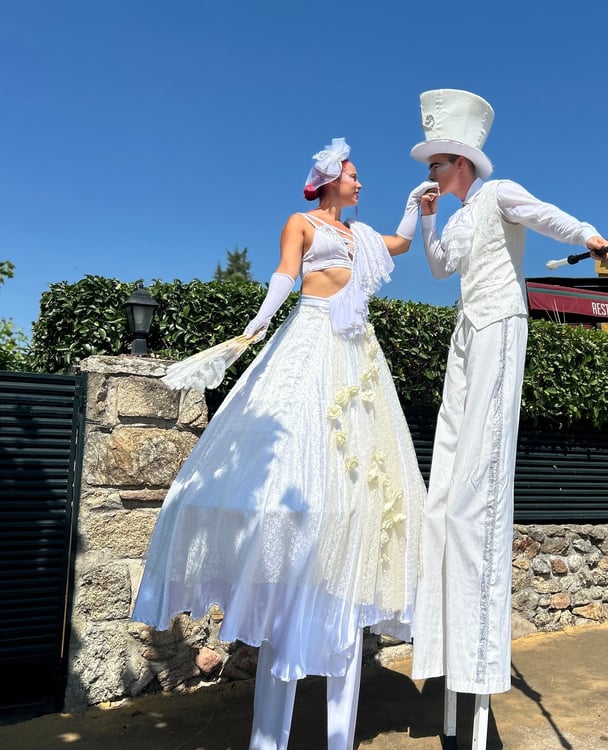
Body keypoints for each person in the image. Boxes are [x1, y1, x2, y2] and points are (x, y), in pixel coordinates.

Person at [131, 137, 434, 750]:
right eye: (354, 175)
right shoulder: (302, 221)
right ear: (329, 179)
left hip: (356, 349)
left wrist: (417, 207)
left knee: (358, 464)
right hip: (312, 334)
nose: (359, 183)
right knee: (293, 441)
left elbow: (399, 245)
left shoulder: (360, 234)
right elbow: (285, 273)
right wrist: (259, 321)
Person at [406, 89, 608, 741]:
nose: (432, 173)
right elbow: (441, 269)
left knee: (482, 484)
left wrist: (586, 234)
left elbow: (542, 214)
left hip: (500, 324)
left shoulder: (498, 193)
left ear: (461, 163)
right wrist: (428, 219)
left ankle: (476, 671)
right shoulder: (460, 215)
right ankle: (447, 658)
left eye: (437, 165)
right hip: (466, 332)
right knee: (447, 485)